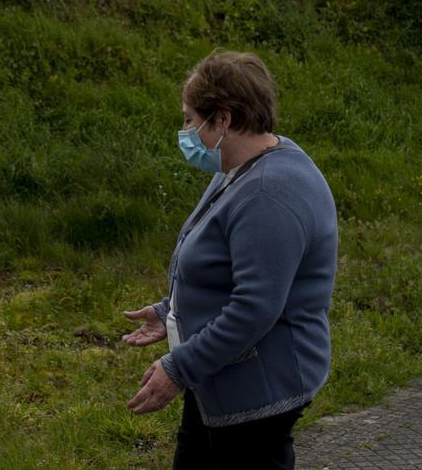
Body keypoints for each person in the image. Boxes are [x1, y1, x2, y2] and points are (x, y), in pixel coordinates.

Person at [122, 51, 338, 469]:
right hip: (222, 378)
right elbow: (231, 271)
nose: (184, 131)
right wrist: (172, 311)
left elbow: (255, 307)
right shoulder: (244, 166)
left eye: (190, 119)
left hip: (258, 393)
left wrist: (178, 368)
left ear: (223, 119)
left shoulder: (266, 194)